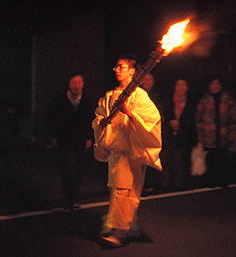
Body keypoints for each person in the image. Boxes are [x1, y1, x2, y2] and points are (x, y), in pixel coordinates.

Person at [92, 53, 162, 248]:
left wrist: (129, 113)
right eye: (116, 67)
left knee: (126, 192)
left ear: (132, 71)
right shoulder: (109, 96)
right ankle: (125, 227)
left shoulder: (140, 95)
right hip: (117, 153)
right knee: (118, 191)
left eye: (121, 67)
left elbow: (151, 122)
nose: (117, 70)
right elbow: (98, 118)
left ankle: (119, 232)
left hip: (132, 153)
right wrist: (102, 122)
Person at [44, 73, 94, 211]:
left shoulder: (87, 100)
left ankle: (73, 198)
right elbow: (50, 118)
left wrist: (89, 137)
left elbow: (91, 120)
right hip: (64, 139)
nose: (76, 85)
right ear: (69, 84)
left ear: (83, 84)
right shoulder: (60, 100)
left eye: (79, 82)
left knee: (78, 170)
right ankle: (68, 199)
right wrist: (54, 135)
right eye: (73, 82)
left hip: (81, 140)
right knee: (66, 170)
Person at [195, 76, 236, 188]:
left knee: (223, 158)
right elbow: (198, 118)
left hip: (224, 134)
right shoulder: (205, 99)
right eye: (212, 84)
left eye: (217, 84)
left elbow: (234, 116)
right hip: (209, 134)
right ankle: (211, 181)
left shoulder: (227, 98)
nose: (215, 87)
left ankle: (223, 180)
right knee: (211, 158)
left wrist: (232, 131)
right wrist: (200, 133)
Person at [161, 79, 196, 191]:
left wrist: (180, 123)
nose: (181, 87)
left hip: (183, 133)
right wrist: (171, 121)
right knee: (166, 158)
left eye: (183, 85)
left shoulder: (191, 101)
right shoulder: (168, 99)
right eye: (178, 85)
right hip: (168, 133)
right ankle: (165, 184)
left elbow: (192, 116)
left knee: (180, 159)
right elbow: (164, 112)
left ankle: (179, 183)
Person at [140, 73, 163, 195]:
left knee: (154, 157)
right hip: (141, 130)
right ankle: (145, 184)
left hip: (154, 129)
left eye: (150, 79)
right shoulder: (138, 94)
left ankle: (155, 183)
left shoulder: (157, 94)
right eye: (145, 79)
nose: (148, 81)